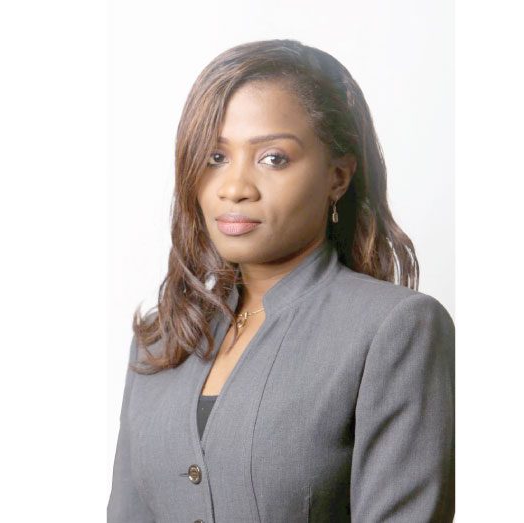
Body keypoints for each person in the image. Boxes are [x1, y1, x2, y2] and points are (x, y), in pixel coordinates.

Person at [108, 38, 455, 522]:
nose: (234, 188)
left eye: (273, 158)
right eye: (214, 157)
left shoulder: (395, 329)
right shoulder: (163, 339)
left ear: (338, 176)